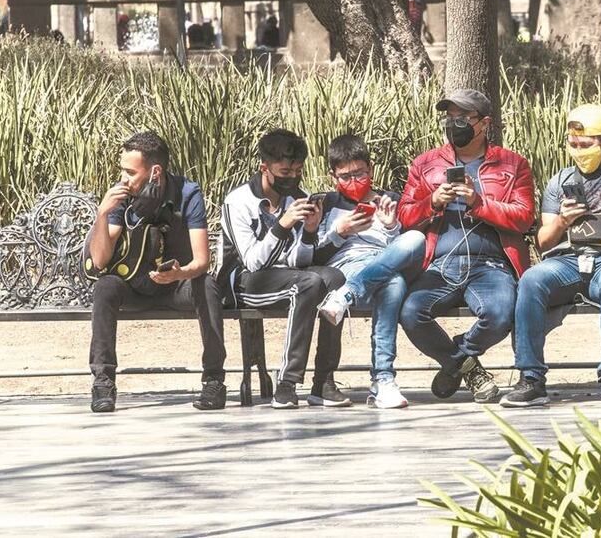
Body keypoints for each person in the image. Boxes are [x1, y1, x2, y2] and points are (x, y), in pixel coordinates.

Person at [501, 104, 601, 409]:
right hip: (568, 261)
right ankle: (531, 379)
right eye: (573, 144)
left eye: (586, 144)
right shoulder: (561, 180)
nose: (578, 151)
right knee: (532, 279)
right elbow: (544, 242)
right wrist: (562, 221)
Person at [397, 89, 536, 403]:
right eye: (450, 117)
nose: (453, 123)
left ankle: (456, 359)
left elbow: (524, 217)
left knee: (500, 314)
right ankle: (466, 367)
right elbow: (404, 216)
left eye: (462, 117)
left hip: (491, 265)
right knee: (411, 312)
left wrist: (478, 202)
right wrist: (432, 202)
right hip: (439, 264)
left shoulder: (512, 164)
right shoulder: (425, 164)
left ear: (484, 123)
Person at [84, 131, 227, 413]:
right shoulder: (121, 195)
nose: (124, 179)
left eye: (130, 172)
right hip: (133, 287)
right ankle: (103, 382)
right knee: (105, 286)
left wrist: (179, 274)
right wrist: (102, 213)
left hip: (176, 286)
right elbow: (99, 261)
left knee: (207, 285)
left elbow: (202, 261)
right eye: (122, 171)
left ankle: (214, 380)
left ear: (155, 172)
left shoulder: (187, 193)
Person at [218, 129, 348, 409]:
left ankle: (323, 381)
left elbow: (299, 262)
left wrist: (310, 231)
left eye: (298, 171)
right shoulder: (237, 202)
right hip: (243, 283)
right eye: (285, 171)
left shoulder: (298, 198)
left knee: (335, 279)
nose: (292, 178)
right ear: (264, 168)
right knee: (308, 283)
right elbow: (253, 262)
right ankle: (287, 382)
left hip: (289, 277)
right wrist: (283, 224)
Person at [313, 135, 426, 409]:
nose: (353, 181)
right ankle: (383, 379)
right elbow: (314, 256)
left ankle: (346, 296)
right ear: (333, 176)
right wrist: (340, 232)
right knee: (394, 283)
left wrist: (390, 227)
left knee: (415, 239)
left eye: (360, 173)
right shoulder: (325, 204)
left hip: (379, 263)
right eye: (345, 176)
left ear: (371, 169)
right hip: (348, 266)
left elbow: (402, 250)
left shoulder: (391, 200)